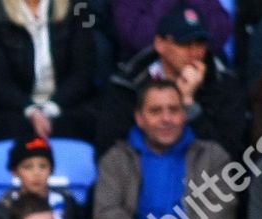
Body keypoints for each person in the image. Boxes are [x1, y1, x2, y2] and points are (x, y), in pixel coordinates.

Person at [89, 79, 238, 219]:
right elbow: (106, 215)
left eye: (174, 110)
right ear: (140, 118)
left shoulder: (211, 155)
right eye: (156, 111)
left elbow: (221, 212)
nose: (166, 118)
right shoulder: (116, 159)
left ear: (184, 115)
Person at [97, 4, 248, 158]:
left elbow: (229, 154)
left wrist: (189, 104)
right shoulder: (129, 83)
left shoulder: (223, 84)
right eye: (183, 43)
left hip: (203, 179)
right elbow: (108, 150)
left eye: (199, 44)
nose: (193, 52)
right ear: (160, 44)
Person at [0, 0, 98, 143]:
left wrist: (52, 107)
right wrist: (31, 110)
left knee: (81, 124)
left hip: (67, 103)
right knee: (10, 129)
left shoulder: (79, 6)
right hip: (15, 107)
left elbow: (83, 72)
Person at [0, 136, 90, 219]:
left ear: (51, 170)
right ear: (15, 172)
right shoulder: (2, 210)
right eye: (28, 167)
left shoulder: (67, 203)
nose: (36, 173)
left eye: (43, 166)